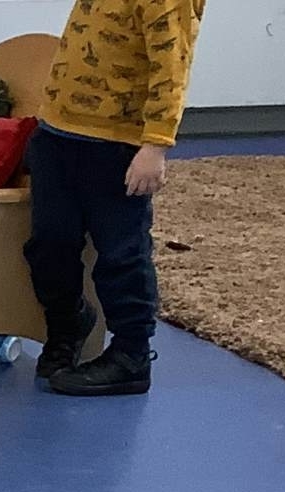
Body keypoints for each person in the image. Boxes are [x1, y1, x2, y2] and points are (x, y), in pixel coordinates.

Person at [26, 0, 206, 396]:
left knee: (122, 255)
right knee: (49, 244)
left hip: (116, 147)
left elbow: (171, 68)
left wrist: (155, 146)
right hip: (57, 134)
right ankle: (67, 326)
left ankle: (131, 354)